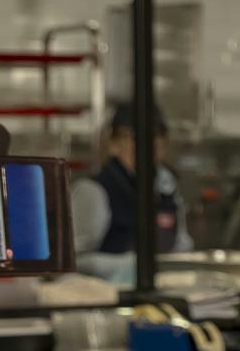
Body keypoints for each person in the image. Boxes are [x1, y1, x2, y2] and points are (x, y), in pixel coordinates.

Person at [70, 102, 190, 284]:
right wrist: (125, 266)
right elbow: (72, 261)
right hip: (108, 299)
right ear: (113, 144)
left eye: (154, 137)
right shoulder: (94, 191)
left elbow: (182, 246)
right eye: (132, 137)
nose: (144, 146)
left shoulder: (168, 188)